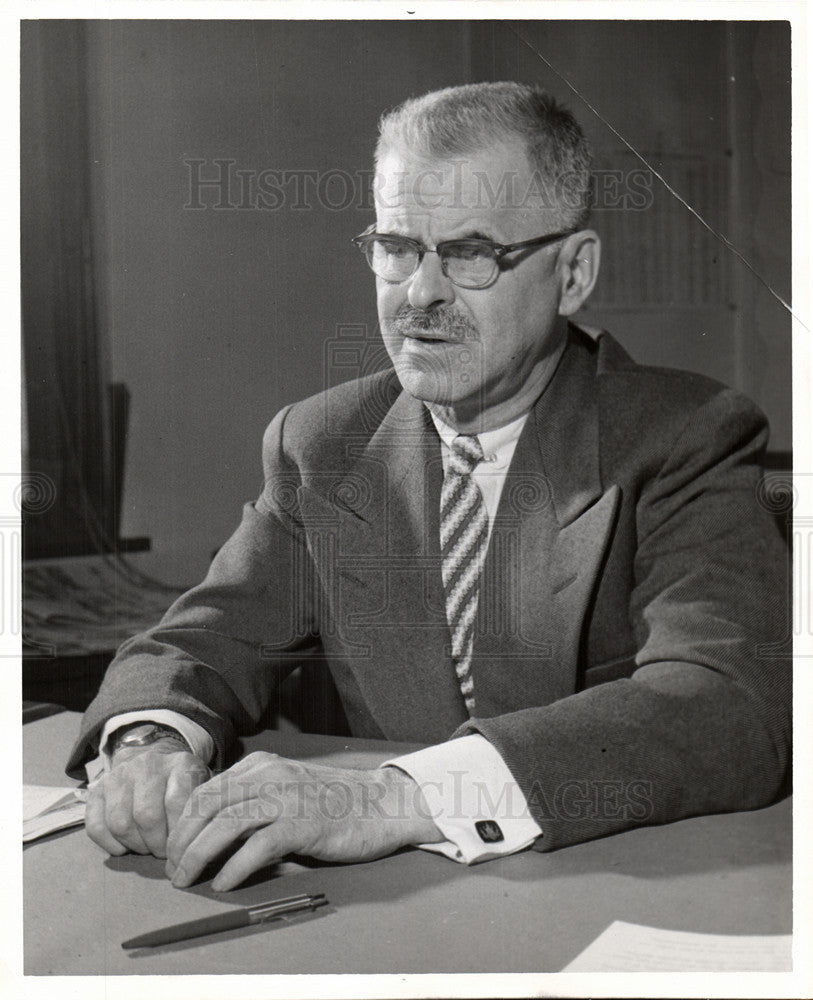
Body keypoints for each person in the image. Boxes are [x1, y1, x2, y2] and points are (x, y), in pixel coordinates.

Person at [67, 81, 790, 893]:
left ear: (573, 274)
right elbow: (201, 642)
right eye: (398, 247)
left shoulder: (685, 433)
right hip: (392, 911)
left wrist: (391, 796)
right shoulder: (322, 442)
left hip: (602, 897)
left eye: (472, 252)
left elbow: (726, 703)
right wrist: (146, 744)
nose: (419, 293)